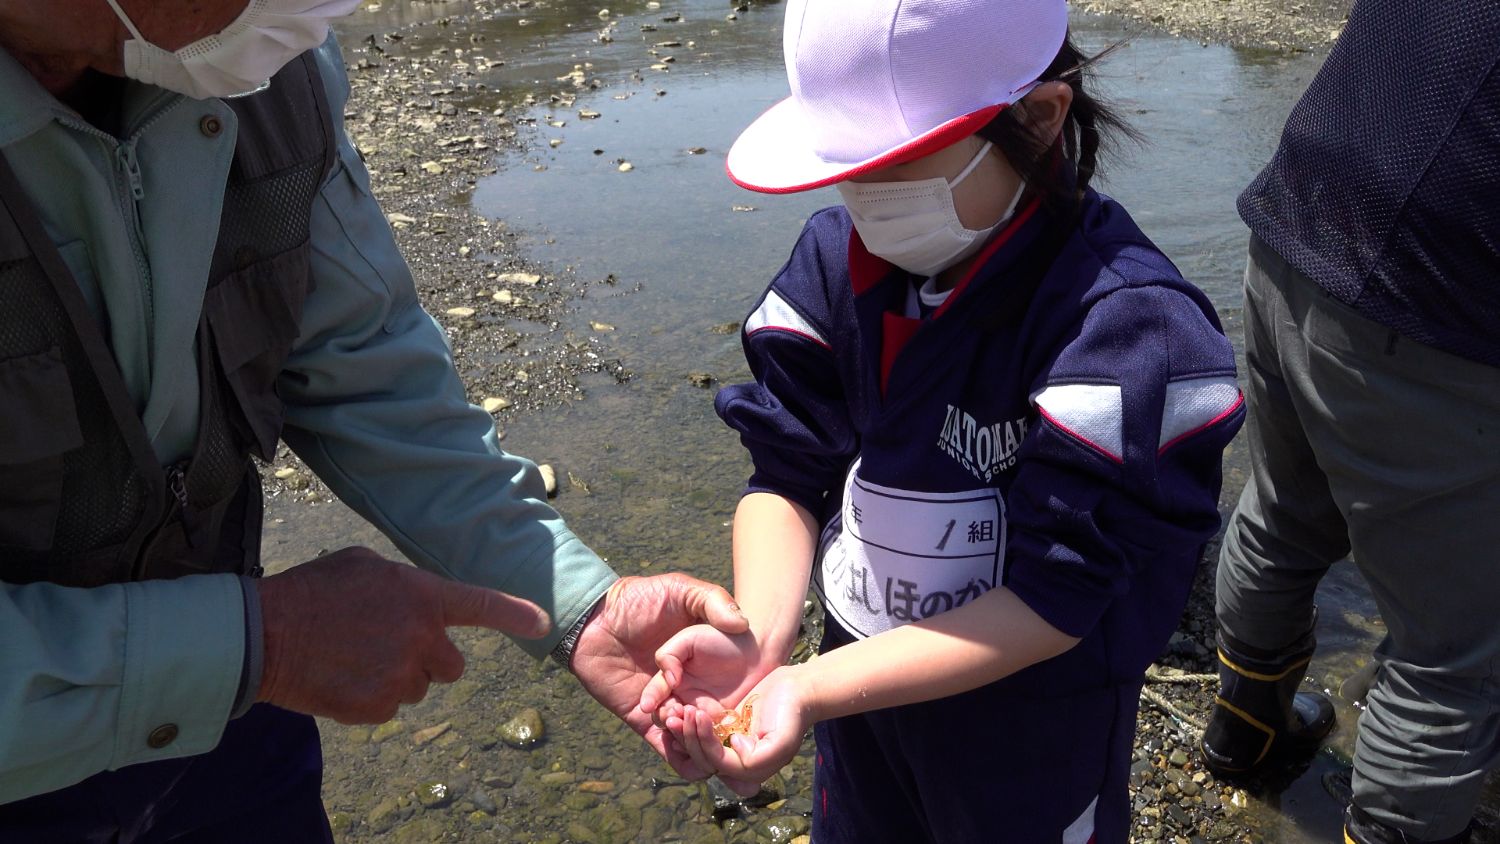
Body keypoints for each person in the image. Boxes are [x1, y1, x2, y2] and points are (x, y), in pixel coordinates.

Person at [0, 0, 748, 839]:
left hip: (232, 713)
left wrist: (579, 603)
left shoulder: (268, 69)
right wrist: (261, 645)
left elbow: (365, 362)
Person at [635, 1, 1247, 840]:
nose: (868, 201)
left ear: (1037, 120)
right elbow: (786, 473)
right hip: (860, 716)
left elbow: (1054, 597)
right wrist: (761, 644)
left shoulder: (1123, 329)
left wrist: (809, 689)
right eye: (847, 168)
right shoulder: (833, 266)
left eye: (900, 166)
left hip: (1027, 735)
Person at [1196, 2, 1500, 841]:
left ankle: (1244, 729)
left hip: (1299, 218)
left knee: (1286, 508)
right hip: (1439, 293)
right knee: (1456, 653)